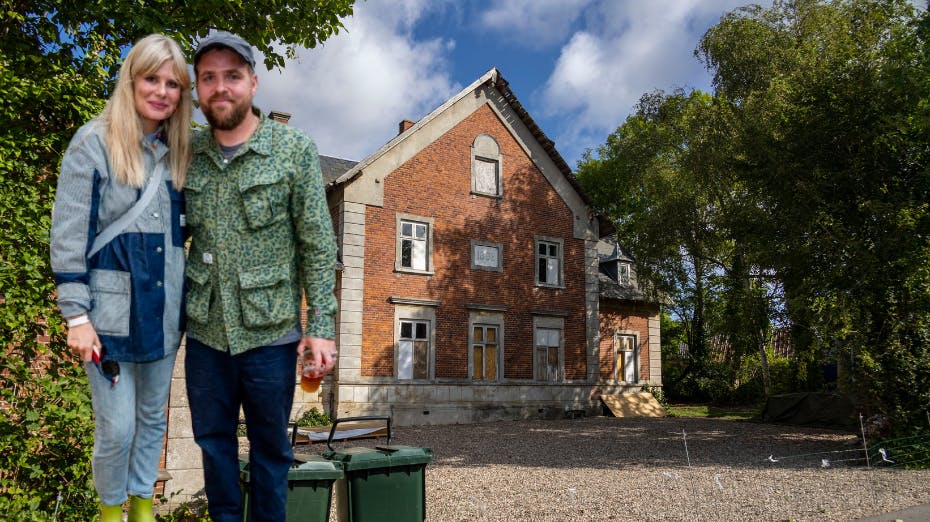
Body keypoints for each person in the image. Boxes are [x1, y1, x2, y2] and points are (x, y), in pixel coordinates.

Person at [184, 31, 338, 522]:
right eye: (209, 78)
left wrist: (322, 326)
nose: (220, 87)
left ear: (252, 81)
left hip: (271, 334)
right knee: (214, 447)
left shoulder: (292, 150)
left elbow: (317, 242)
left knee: (271, 455)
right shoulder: (185, 154)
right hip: (207, 333)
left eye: (232, 75)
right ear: (197, 89)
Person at [49, 34, 192, 522]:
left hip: (164, 315)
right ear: (131, 78)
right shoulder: (94, 141)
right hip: (106, 320)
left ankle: (143, 510)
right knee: (117, 428)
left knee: (153, 420)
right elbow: (69, 233)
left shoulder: (178, 156)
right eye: (152, 78)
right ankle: (112, 516)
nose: (162, 91)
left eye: (173, 83)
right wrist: (76, 315)